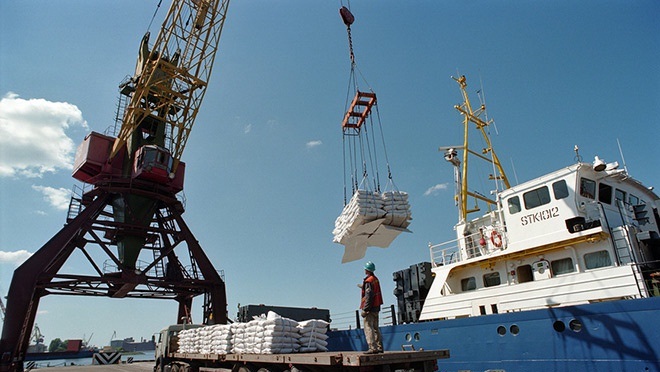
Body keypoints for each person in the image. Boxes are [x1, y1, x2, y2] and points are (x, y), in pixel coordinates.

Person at [360, 261, 384, 354]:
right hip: (376, 307)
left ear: (367, 270)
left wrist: (365, 309)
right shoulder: (375, 279)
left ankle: (372, 348)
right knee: (375, 328)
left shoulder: (368, 281)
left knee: (368, 327)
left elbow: (369, 296)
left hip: (370, 308)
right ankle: (379, 347)